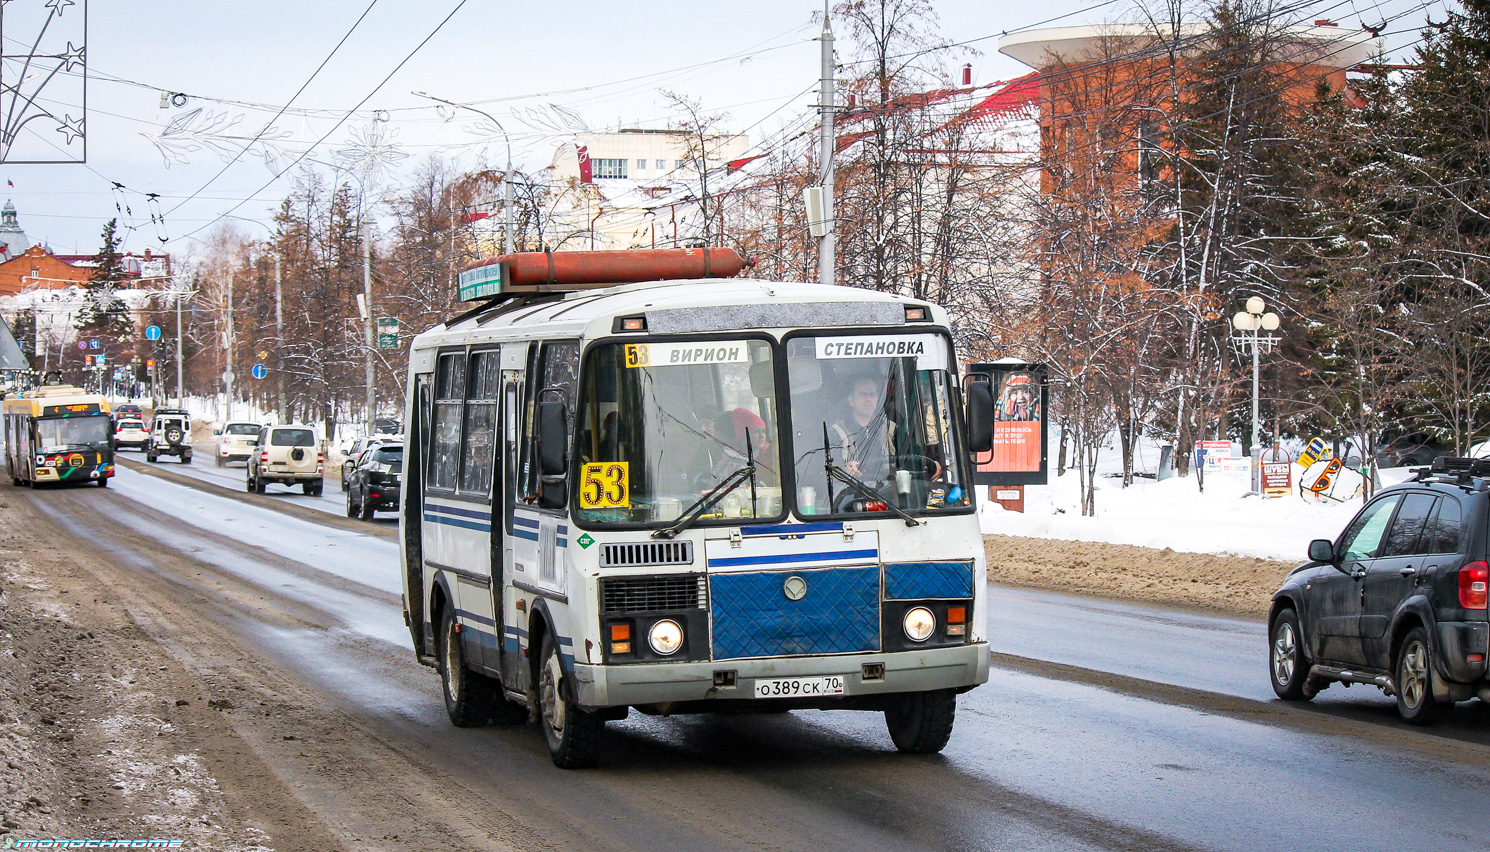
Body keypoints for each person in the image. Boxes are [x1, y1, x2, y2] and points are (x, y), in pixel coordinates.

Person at [830, 375, 894, 482]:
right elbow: (829, 468)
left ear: (877, 400)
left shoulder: (891, 428)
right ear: (851, 401)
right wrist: (845, 469)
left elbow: (912, 456)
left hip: (887, 491)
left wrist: (930, 462)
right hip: (850, 493)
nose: (868, 398)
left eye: (872, 394)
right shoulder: (836, 432)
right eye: (863, 394)